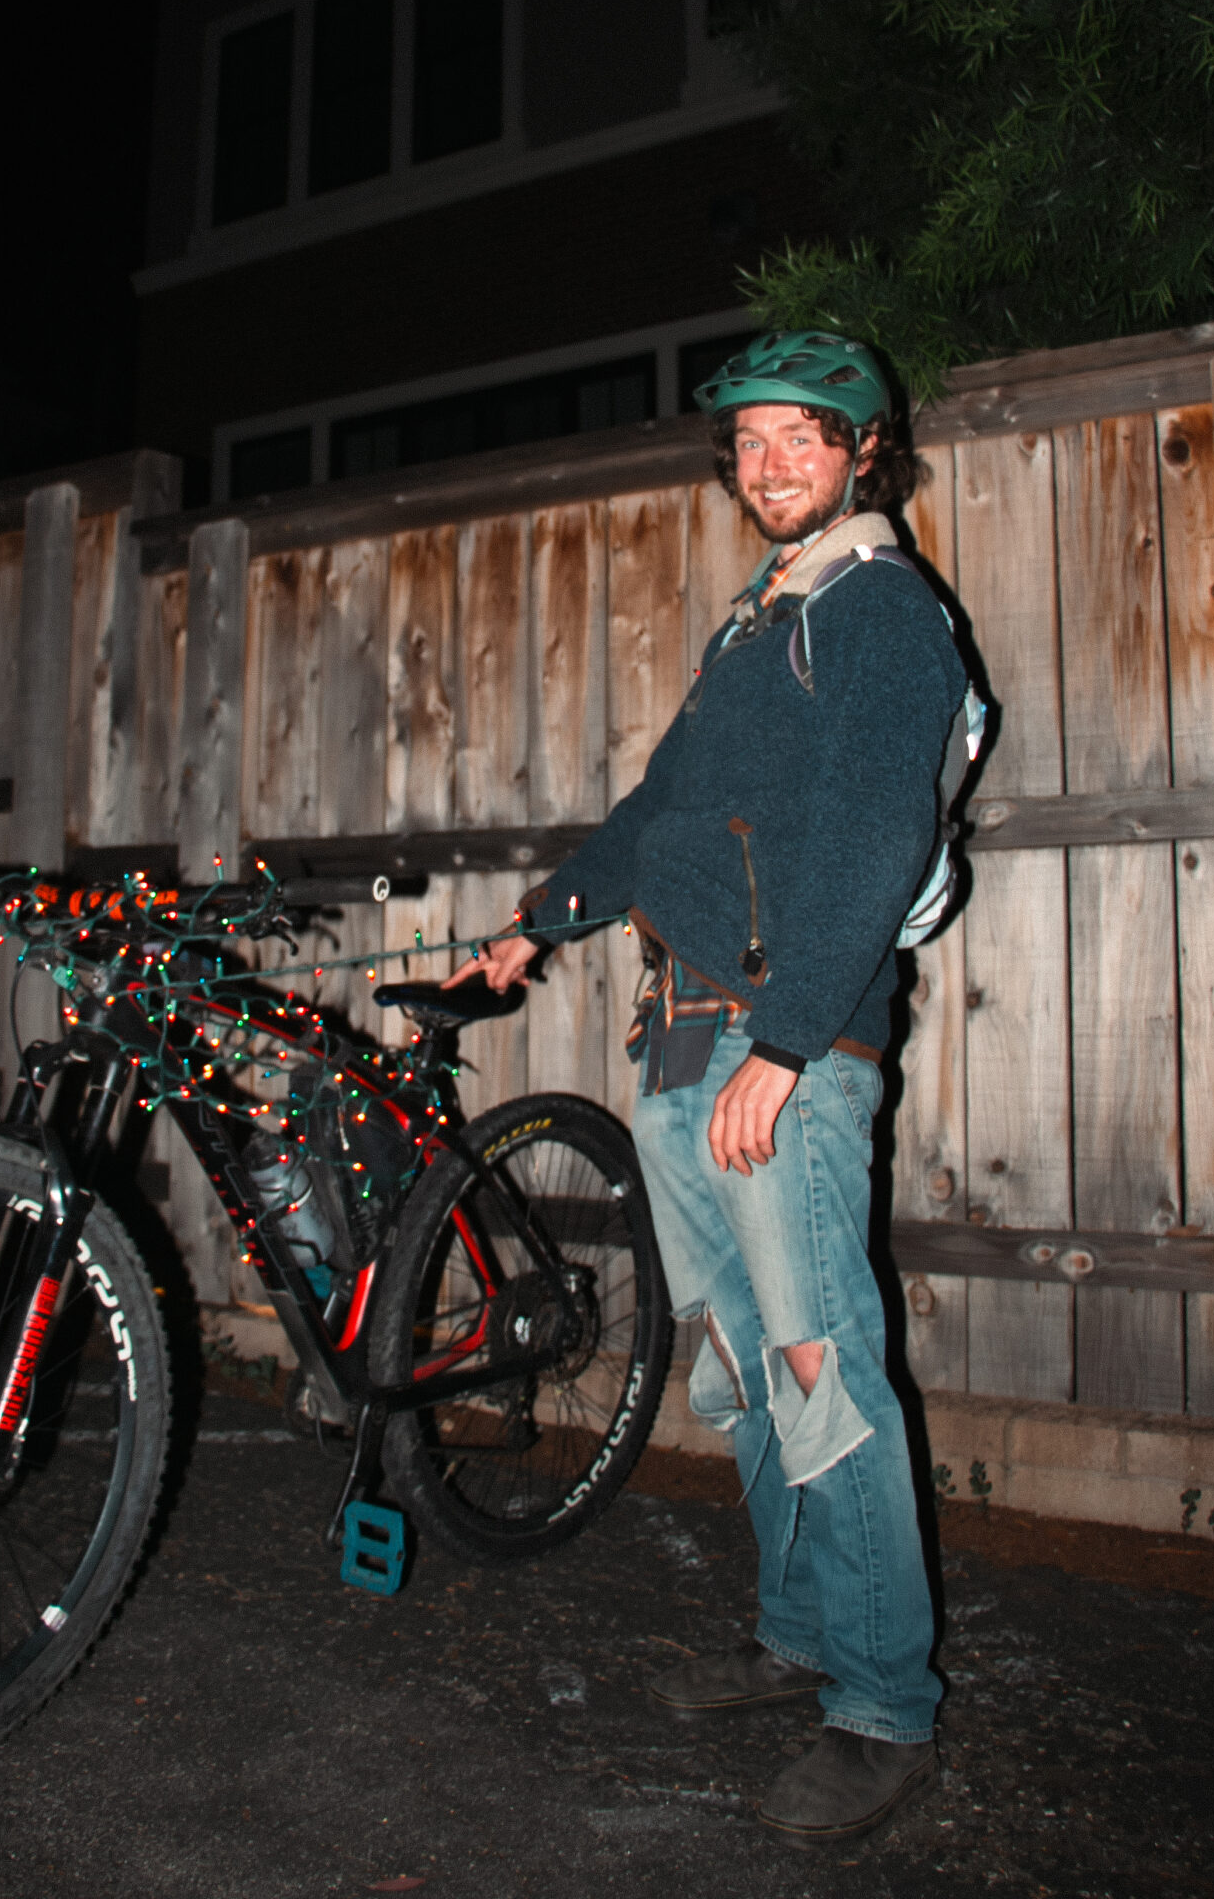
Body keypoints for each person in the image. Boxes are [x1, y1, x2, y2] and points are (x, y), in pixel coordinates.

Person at [447, 329, 967, 1847]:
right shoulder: (764, 619)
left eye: (803, 434)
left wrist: (791, 1044)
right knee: (745, 1364)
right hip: (682, 1046)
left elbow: (880, 835)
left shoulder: (881, 608)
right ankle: (796, 1635)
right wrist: (534, 924)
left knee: (820, 1366)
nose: (769, 462)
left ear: (864, 451)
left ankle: (885, 1707)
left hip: (777, 1052)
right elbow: (656, 815)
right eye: (749, 440)